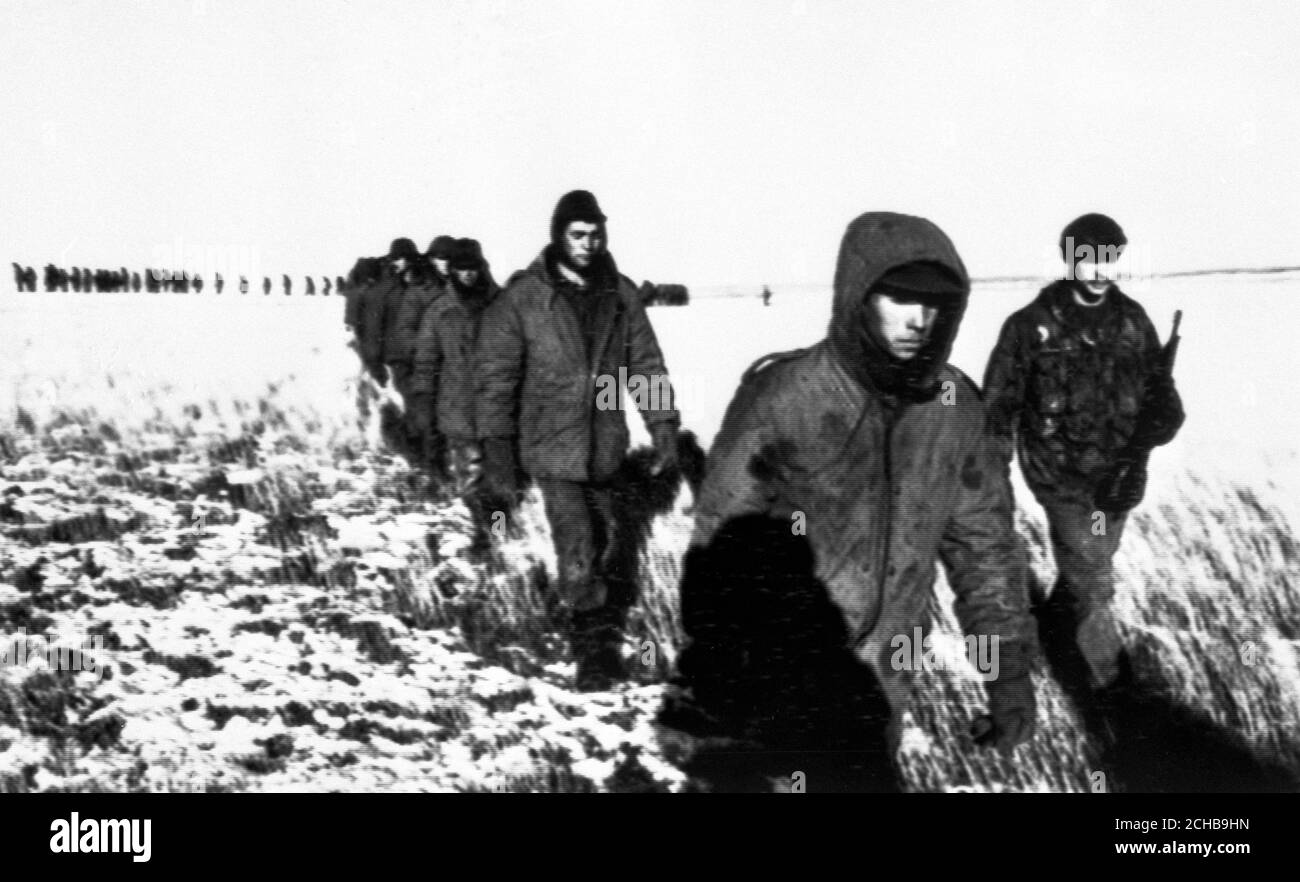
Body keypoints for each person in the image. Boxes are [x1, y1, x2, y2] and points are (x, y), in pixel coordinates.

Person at [669, 211, 1039, 759]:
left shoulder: (954, 409)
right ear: (859, 298)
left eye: (935, 304)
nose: (920, 319)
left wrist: (1006, 677)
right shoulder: (785, 395)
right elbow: (720, 543)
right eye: (900, 299)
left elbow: (984, 554)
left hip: (883, 686)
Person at [475, 190, 681, 691]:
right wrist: (498, 454)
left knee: (611, 540)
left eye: (596, 234)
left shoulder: (621, 294)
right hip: (550, 444)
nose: (589, 244)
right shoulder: (524, 298)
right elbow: (496, 379)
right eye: (578, 234)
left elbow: (645, 365)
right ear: (558, 237)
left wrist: (664, 429)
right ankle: (593, 652)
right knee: (578, 541)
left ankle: (587, 611)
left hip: (606, 444)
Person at [982, 213, 1184, 692]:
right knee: (1095, 582)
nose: (1099, 269)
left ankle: (1049, 631)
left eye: (1109, 259)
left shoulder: (1133, 322)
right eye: (1088, 258)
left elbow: (1159, 393)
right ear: (1070, 259)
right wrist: (993, 478)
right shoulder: (1030, 328)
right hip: (1061, 480)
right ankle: (1111, 686)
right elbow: (998, 409)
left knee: (1088, 572)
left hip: (1119, 475)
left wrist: (1164, 418)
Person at [409, 237, 499, 496]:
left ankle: (498, 529)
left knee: (500, 476)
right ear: (452, 270)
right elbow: (426, 362)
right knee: (471, 473)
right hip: (459, 408)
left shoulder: (501, 305)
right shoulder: (439, 312)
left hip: (498, 406)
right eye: (461, 267)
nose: (468, 274)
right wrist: (424, 406)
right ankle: (482, 528)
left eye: (473, 267)